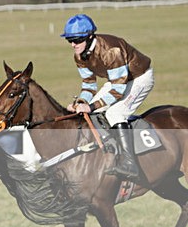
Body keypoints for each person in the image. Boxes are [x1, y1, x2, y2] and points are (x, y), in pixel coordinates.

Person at [62, 13, 154, 179]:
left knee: (114, 113)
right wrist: (80, 103)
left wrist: (91, 106)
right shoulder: (79, 55)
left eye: (77, 40)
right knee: (92, 113)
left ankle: (130, 163)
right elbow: (89, 85)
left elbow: (118, 90)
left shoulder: (111, 51)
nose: (73, 44)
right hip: (117, 80)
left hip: (139, 78)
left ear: (90, 36)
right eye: (70, 40)